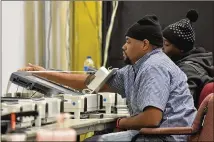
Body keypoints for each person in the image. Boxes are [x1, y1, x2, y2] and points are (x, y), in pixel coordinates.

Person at [19, 15, 196, 141]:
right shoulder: (135, 69)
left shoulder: (154, 67)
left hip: (165, 138)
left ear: (144, 44)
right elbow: (91, 81)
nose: (123, 46)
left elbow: (151, 118)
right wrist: (43, 73)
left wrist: (121, 121)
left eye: (128, 41)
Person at [162, 9, 214, 108]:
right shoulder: (197, 62)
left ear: (181, 48)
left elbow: (180, 107)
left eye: (167, 44)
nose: (162, 48)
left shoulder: (187, 70)